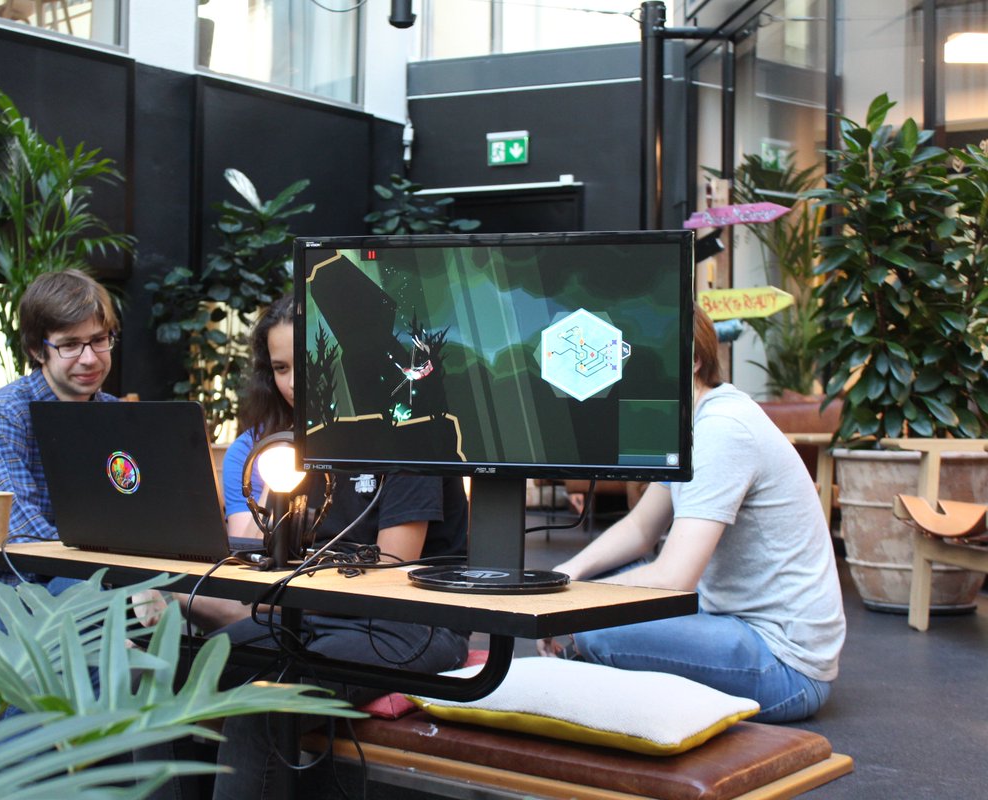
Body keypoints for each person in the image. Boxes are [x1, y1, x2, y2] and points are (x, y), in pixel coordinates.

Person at [211, 295, 470, 800]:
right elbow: (281, 551)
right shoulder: (303, 439)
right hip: (317, 616)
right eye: (281, 369)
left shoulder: (411, 429)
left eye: (305, 365)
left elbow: (392, 569)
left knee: (261, 709)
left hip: (410, 625)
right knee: (177, 675)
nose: (293, 384)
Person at [537, 304, 845, 724]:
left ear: (694, 360)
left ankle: (591, 674)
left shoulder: (722, 429)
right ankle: (598, 669)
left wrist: (572, 609)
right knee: (606, 577)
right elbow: (641, 528)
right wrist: (566, 575)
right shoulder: (689, 425)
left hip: (784, 665)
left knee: (597, 626)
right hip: (726, 619)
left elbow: (673, 578)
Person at [0, 269, 119, 647]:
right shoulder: (5, 413)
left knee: (196, 619)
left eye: (99, 340)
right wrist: (123, 579)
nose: (89, 358)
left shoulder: (114, 416)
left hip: (85, 589)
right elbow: (23, 535)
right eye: (70, 345)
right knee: (96, 619)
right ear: (37, 350)